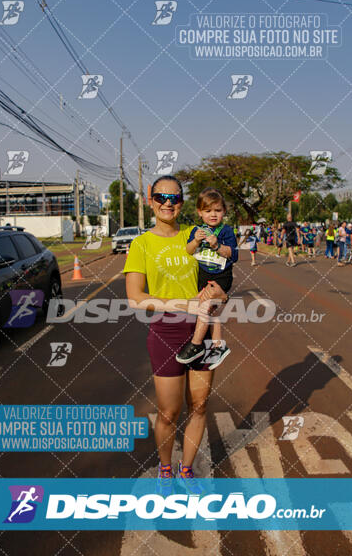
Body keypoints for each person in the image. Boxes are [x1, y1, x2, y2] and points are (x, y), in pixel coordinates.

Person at [124, 175, 228, 489]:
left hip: (202, 331)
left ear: (182, 203)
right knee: (169, 411)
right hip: (165, 333)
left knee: (199, 406)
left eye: (174, 198)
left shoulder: (197, 234)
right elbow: (136, 298)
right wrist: (183, 304)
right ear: (150, 199)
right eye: (161, 197)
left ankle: (186, 470)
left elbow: (219, 281)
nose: (168, 203)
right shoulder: (141, 243)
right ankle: (165, 469)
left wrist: (219, 296)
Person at [176, 188, 238, 370]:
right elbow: (188, 250)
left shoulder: (226, 231)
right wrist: (195, 241)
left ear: (224, 212)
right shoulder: (197, 230)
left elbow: (232, 255)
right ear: (200, 212)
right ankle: (218, 346)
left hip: (221, 276)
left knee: (205, 307)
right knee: (206, 309)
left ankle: (195, 345)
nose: (213, 215)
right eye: (208, 211)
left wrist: (217, 245)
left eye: (217, 211)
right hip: (204, 275)